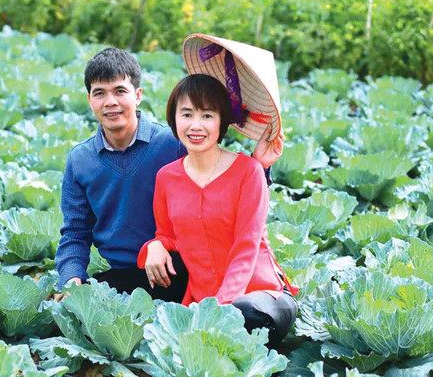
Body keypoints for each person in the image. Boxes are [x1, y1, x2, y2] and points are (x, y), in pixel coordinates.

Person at [54, 45, 284, 303]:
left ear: (138, 95)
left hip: (181, 267)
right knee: (79, 308)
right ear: (90, 100)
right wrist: (71, 280)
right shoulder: (80, 160)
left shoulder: (173, 142)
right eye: (100, 93)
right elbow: (75, 232)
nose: (111, 102)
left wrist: (261, 168)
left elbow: (223, 186)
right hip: (128, 272)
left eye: (120, 91)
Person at [137, 73, 297, 346]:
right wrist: (154, 246)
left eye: (207, 115)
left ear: (222, 121)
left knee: (245, 316)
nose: (195, 125)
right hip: (203, 302)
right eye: (186, 114)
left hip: (260, 295)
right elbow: (167, 234)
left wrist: (221, 309)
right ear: (174, 119)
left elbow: (247, 246)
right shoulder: (166, 177)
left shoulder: (249, 172)